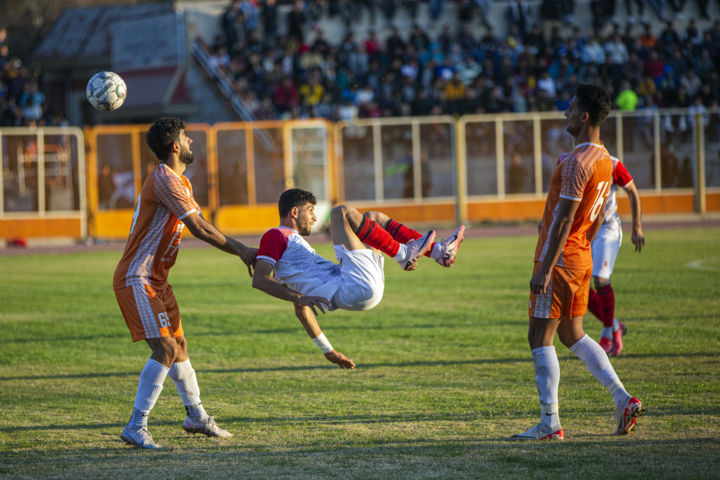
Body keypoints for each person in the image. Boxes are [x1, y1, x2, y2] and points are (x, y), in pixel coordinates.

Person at [114, 118, 257, 449]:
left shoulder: (179, 181)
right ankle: (136, 426)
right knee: (165, 349)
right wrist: (242, 250)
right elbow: (201, 229)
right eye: (186, 136)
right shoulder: (165, 178)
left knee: (179, 348)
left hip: (158, 280)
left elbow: (200, 224)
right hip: (139, 277)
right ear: (175, 146)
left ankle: (195, 416)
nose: (192, 140)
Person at [514, 84, 643, 441]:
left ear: (584, 116)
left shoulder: (575, 162)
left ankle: (549, 424)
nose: (565, 113)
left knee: (539, 336)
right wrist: (581, 247)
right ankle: (622, 398)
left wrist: (544, 267)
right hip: (581, 256)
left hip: (559, 260)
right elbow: (598, 214)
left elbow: (564, 220)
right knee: (574, 333)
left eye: (570, 108)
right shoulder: (605, 160)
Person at [251, 189, 466, 368]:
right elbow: (259, 279)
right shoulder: (275, 235)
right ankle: (403, 254)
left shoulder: (293, 247)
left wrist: (328, 351)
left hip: (359, 286)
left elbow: (301, 309)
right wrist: (300, 297)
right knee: (340, 213)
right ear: (295, 212)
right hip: (353, 286)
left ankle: (439, 252)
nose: (315, 217)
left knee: (373, 218)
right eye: (311, 211)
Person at [585, 155, 644, 357]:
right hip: (583, 229)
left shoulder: (612, 163)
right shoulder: (569, 160)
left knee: (600, 280)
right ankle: (615, 326)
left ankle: (607, 334)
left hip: (607, 228)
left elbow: (632, 192)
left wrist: (636, 227)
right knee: (579, 288)